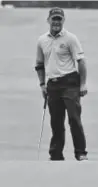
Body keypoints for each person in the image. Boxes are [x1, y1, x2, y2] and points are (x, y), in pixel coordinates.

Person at [35, 7, 88, 161]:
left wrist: (83, 84)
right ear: (48, 20)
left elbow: (81, 61)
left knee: (74, 118)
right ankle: (56, 155)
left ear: (63, 21)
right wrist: (42, 85)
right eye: (54, 19)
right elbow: (39, 65)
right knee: (56, 122)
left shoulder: (70, 38)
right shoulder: (42, 40)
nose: (56, 22)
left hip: (70, 82)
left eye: (59, 19)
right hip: (53, 85)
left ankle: (81, 152)